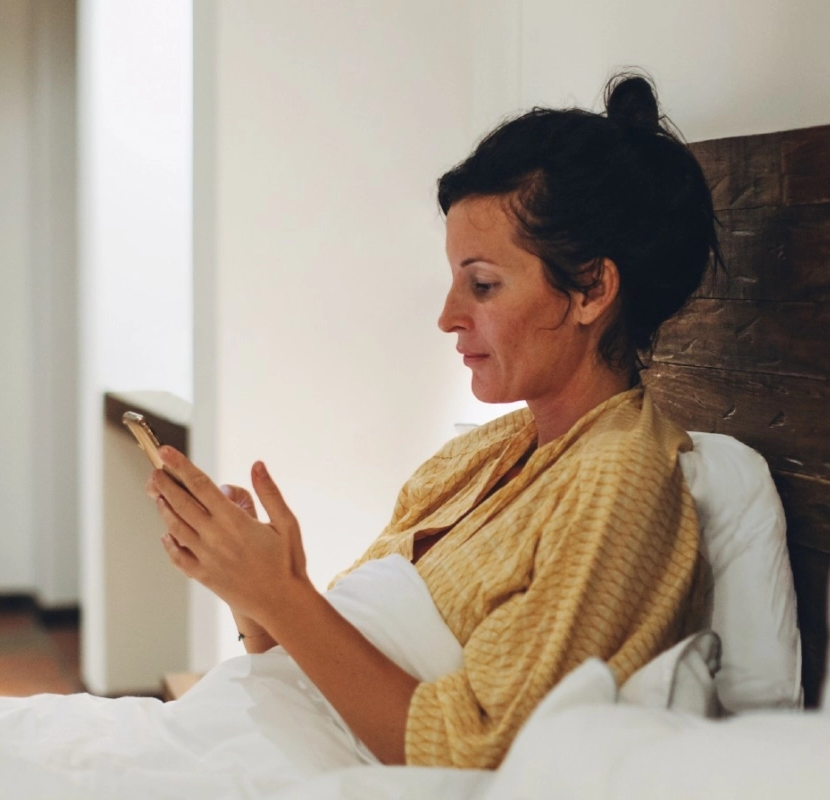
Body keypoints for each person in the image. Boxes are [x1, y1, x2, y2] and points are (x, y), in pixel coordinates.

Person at [145, 72, 722, 771]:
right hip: (254, 741)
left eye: (482, 285)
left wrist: (281, 594)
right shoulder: (469, 460)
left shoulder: (620, 482)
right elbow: (321, 681)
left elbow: (478, 756)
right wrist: (251, 591)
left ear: (592, 289)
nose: (449, 316)